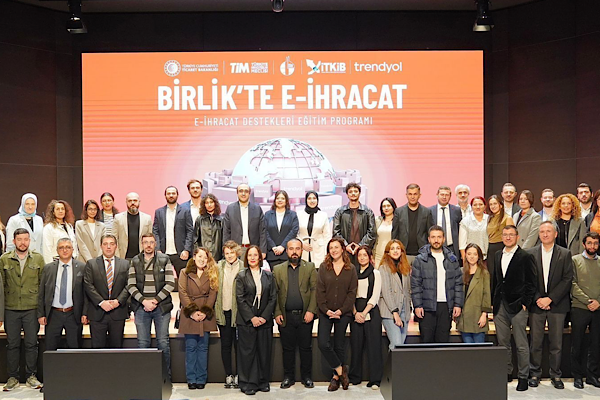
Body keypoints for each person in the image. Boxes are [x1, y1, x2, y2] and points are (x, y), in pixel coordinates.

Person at [527, 222, 573, 389]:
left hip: (557, 305)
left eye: (548, 231)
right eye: (542, 231)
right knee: (536, 342)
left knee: (556, 343)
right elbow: (528, 280)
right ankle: (534, 373)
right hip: (536, 304)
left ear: (555, 234)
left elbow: (567, 279)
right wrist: (539, 299)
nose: (545, 234)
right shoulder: (530, 254)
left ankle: (555, 375)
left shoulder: (565, 254)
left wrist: (550, 299)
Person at [492, 225, 537, 391]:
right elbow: (497, 281)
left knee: (521, 344)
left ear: (517, 237)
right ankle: (507, 372)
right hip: (500, 306)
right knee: (503, 343)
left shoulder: (525, 256)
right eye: (505, 234)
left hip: (518, 306)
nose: (508, 237)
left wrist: (525, 302)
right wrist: (493, 303)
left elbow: (532, 283)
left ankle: (523, 376)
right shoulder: (497, 255)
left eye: (511, 235)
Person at [0, 228, 45, 391]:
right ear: (14, 241)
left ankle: (31, 376)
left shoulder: (38, 259)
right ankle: (12, 377)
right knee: (12, 344)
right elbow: (1, 287)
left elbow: (42, 286)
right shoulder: (4, 259)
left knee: (31, 343)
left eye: (26, 239)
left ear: (29, 241)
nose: (23, 242)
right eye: (19, 239)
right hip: (11, 308)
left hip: (31, 308)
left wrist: (41, 311)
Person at [127, 233, 176, 379]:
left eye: (151, 242)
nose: (148, 245)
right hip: (141, 307)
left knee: (163, 342)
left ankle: (165, 379)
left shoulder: (164, 259)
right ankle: (145, 379)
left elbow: (170, 283)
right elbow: (130, 285)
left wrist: (155, 301)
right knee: (143, 343)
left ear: (155, 244)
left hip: (161, 307)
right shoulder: (135, 261)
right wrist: (144, 301)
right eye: (145, 242)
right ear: (142, 244)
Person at [273, 238, 317, 389]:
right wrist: (277, 312)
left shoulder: (310, 267)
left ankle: (307, 377)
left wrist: (311, 310)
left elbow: (315, 290)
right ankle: (288, 377)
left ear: (302, 250)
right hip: (285, 316)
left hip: (305, 316)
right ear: (286, 251)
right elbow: (274, 293)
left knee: (306, 348)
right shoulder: (278, 269)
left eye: (297, 249)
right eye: (291, 249)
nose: (294, 252)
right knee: (287, 349)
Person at [316, 237, 358, 392]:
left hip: (343, 313)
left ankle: (335, 378)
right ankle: (341, 370)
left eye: (336, 247)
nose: (333, 250)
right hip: (325, 312)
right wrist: (326, 310)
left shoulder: (351, 268)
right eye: (331, 248)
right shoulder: (323, 267)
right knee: (323, 343)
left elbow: (352, 293)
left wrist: (341, 310)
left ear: (342, 249)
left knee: (339, 345)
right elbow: (319, 291)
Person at [235, 245, 277, 395]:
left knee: (263, 352)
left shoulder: (269, 276)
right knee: (248, 353)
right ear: (246, 258)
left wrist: (264, 317)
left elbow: (273, 298)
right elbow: (240, 299)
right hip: (247, 321)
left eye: (255, 255)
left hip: (264, 321)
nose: (252, 258)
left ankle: (262, 381)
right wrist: (252, 318)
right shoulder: (241, 276)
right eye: (250, 255)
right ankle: (248, 383)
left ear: (260, 257)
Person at [411, 225, 463, 343]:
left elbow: (458, 284)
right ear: (429, 239)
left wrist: (457, 304)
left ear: (444, 239)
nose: (436, 240)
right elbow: (416, 285)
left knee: (443, 342)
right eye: (433, 237)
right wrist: (417, 305)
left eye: (439, 237)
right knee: (427, 342)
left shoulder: (452, 259)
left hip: (446, 306)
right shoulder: (420, 260)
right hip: (427, 307)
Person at [179, 247, 218, 390]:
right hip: (190, 314)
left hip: (205, 314)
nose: (202, 260)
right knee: (191, 347)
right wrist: (193, 311)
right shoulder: (184, 272)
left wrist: (205, 311)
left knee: (203, 347)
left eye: (205, 257)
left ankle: (201, 378)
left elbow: (213, 293)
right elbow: (182, 292)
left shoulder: (211, 272)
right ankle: (191, 378)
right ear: (194, 257)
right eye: (200, 256)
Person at [38, 238, 88, 351]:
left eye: (68, 247)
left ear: (73, 250)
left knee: (74, 348)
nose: (64, 250)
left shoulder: (82, 267)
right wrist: (41, 314)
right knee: (50, 348)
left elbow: (86, 293)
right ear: (57, 250)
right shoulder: (48, 268)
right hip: (53, 314)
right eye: (61, 248)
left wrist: (85, 313)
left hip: (73, 314)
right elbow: (42, 292)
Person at [83, 234, 130, 348]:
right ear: (101, 246)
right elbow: (88, 285)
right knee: (97, 350)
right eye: (105, 244)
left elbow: (129, 285)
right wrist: (101, 302)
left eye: (111, 244)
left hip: (118, 312)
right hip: (97, 313)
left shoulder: (125, 264)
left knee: (116, 348)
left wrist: (118, 301)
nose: (108, 247)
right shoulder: (91, 264)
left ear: (116, 246)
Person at [349, 245, 382, 389]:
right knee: (356, 346)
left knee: (373, 346)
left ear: (370, 257)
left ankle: (375, 379)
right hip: (355, 311)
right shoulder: (352, 272)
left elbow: (375, 296)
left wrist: (364, 313)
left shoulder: (375, 273)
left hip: (371, 311)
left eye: (365, 255)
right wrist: (355, 312)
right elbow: (350, 294)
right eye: (359, 255)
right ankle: (355, 377)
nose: (362, 258)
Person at [571, 232, 600, 389]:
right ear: (584, 244)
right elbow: (572, 284)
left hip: (598, 308)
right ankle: (577, 376)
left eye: (595, 243)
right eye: (589, 243)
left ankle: (592, 376)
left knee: (596, 344)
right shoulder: (575, 260)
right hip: (580, 307)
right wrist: (588, 301)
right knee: (578, 343)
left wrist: (598, 302)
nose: (592, 246)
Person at [215, 241, 243, 389]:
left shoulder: (243, 267)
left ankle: (239, 375)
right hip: (224, 311)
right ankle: (228, 375)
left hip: (239, 313)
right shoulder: (218, 267)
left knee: (239, 345)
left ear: (237, 252)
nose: (230, 255)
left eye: (232, 252)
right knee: (226, 345)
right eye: (227, 253)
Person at [153, 186, 193, 276]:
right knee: (161, 279)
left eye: (173, 193)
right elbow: (155, 231)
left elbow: (190, 231)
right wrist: (157, 249)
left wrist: (186, 249)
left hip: (180, 253)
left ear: (177, 195)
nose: (171, 195)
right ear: (165, 196)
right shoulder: (159, 212)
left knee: (183, 279)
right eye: (169, 193)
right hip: (163, 253)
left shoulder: (185, 211)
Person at [332, 182, 376, 264]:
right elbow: (336, 232)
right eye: (350, 192)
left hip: (363, 252)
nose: (353, 193)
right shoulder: (340, 211)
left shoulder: (367, 211)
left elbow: (372, 232)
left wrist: (360, 246)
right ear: (347, 194)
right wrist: (345, 245)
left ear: (359, 193)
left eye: (355, 191)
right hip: (345, 252)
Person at [379, 239, 411, 349]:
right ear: (388, 252)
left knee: (401, 347)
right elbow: (386, 291)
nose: (395, 251)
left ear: (402, 251)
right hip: (390, 312)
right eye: (392, 249)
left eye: (398, 248)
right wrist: (395, 312)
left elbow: (407, 290)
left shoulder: (406, 268)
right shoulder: (384, 268)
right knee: (396, 344)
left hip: (404, 311)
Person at [456, 243, 490, 343]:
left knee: (478, 349)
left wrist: (484, 314)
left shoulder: (484, 273)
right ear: (465, 255)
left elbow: (486, 295)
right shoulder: (461, 272)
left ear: (479, 256)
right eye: (469, 254)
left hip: (477, 316)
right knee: (468, 349)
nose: (472, 257)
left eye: (475, 254)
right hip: (464, 317)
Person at [392, 183, 434, 264]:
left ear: (419, 195)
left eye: (415, 194)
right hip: (403, 253)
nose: (412, 197)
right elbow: (395, 233)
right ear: (406, 195)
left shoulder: (426, 212)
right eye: (410, 194)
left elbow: (430, 233)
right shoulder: (399, 212)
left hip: (421, 253)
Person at [223, 184, 267, 258]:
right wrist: (226, 250)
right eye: (241, 191)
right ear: (237, 193)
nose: (243, 194)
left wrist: (262, 251)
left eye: (246, 191)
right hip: (235, 250)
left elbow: (262, 231)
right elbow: (226, 231)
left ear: (249, 193)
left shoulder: (257, 209)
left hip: (253, 250)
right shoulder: (230, 209)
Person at [264, 190, 299, 269]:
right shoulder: (268, 214)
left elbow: (294, 231)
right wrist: (273, 247)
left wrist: (283, 246)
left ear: (286, 201)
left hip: (287, 253)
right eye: (278, 198)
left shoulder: (292, 215)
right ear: (275, 200)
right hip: (272, 253)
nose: (280, 200)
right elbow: (265, 232)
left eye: (282, 198)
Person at [486, 195, 514, 292]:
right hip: (490, 249)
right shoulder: (490, 218)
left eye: (495, 204)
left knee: (501, 275)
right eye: (491, 204)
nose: (493, 206)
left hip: (501, 247)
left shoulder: (507, 218)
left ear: (500, 205)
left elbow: (512, 236)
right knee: (491, 275)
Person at [113, 192, 153, 260]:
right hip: (123, 257)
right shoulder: (118, 218)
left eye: (135, 200)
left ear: (139, 202)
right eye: (130, 201)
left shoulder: (147, 218)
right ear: (126, 202)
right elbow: (114, 238)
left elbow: (150, 239)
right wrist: (117, 257)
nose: (132, 203)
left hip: (142, 257)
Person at [297, 191, 331, 268]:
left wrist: (327, 253)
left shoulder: (323, 215)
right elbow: (295, 233)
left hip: (319, 250)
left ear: (317, 200)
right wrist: (301, 244)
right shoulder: (299, 214)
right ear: (306, 200)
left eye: (314, 198)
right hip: (303, 250)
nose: (312, 201)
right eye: (309, 198)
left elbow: (327, 236)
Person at [429, 186, 462, 263]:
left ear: (450, 196)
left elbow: (459, 229)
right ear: (437, 195)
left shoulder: (456, 210)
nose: (444, 197)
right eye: (442, 194)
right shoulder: (430, 211)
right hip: (435, 246)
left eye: (447, 195)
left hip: (452, 247)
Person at [42, 199, 78, 264]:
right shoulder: (49, 228)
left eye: (62, 209)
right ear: (53, 212)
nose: (60, 211)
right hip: (56, 262)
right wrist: (50, 266)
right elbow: (47, 249)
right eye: (58, 209)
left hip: (71, 261)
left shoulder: (69, 226)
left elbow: (74, 245)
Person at [193, 193, 224, 261]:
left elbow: (223, 239)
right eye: (207, 203)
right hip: (203, 256)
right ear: (204, 205)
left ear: (215, 203)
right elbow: (195, 239)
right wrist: (198, 253)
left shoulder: (221, 220)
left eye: (211, 202)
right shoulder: (199, 219)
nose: (209, 205)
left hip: (218, 256)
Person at [459, 196, 489, 262]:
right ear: (471, 207)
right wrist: (465, 261)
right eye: (475, 205)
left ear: (485, 206)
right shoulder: (465, 221)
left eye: (480, 204)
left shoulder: (490, 219)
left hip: (487, 258)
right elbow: (462, 244)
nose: (478, 207)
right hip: (471, 259)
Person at [373, 197, 397, 268]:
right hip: (378, 255)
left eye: (388, 206)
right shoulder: (377, 220)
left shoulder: (397, 222)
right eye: (384, 206)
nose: (386, 208)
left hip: (392, 255)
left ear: (393, 207)